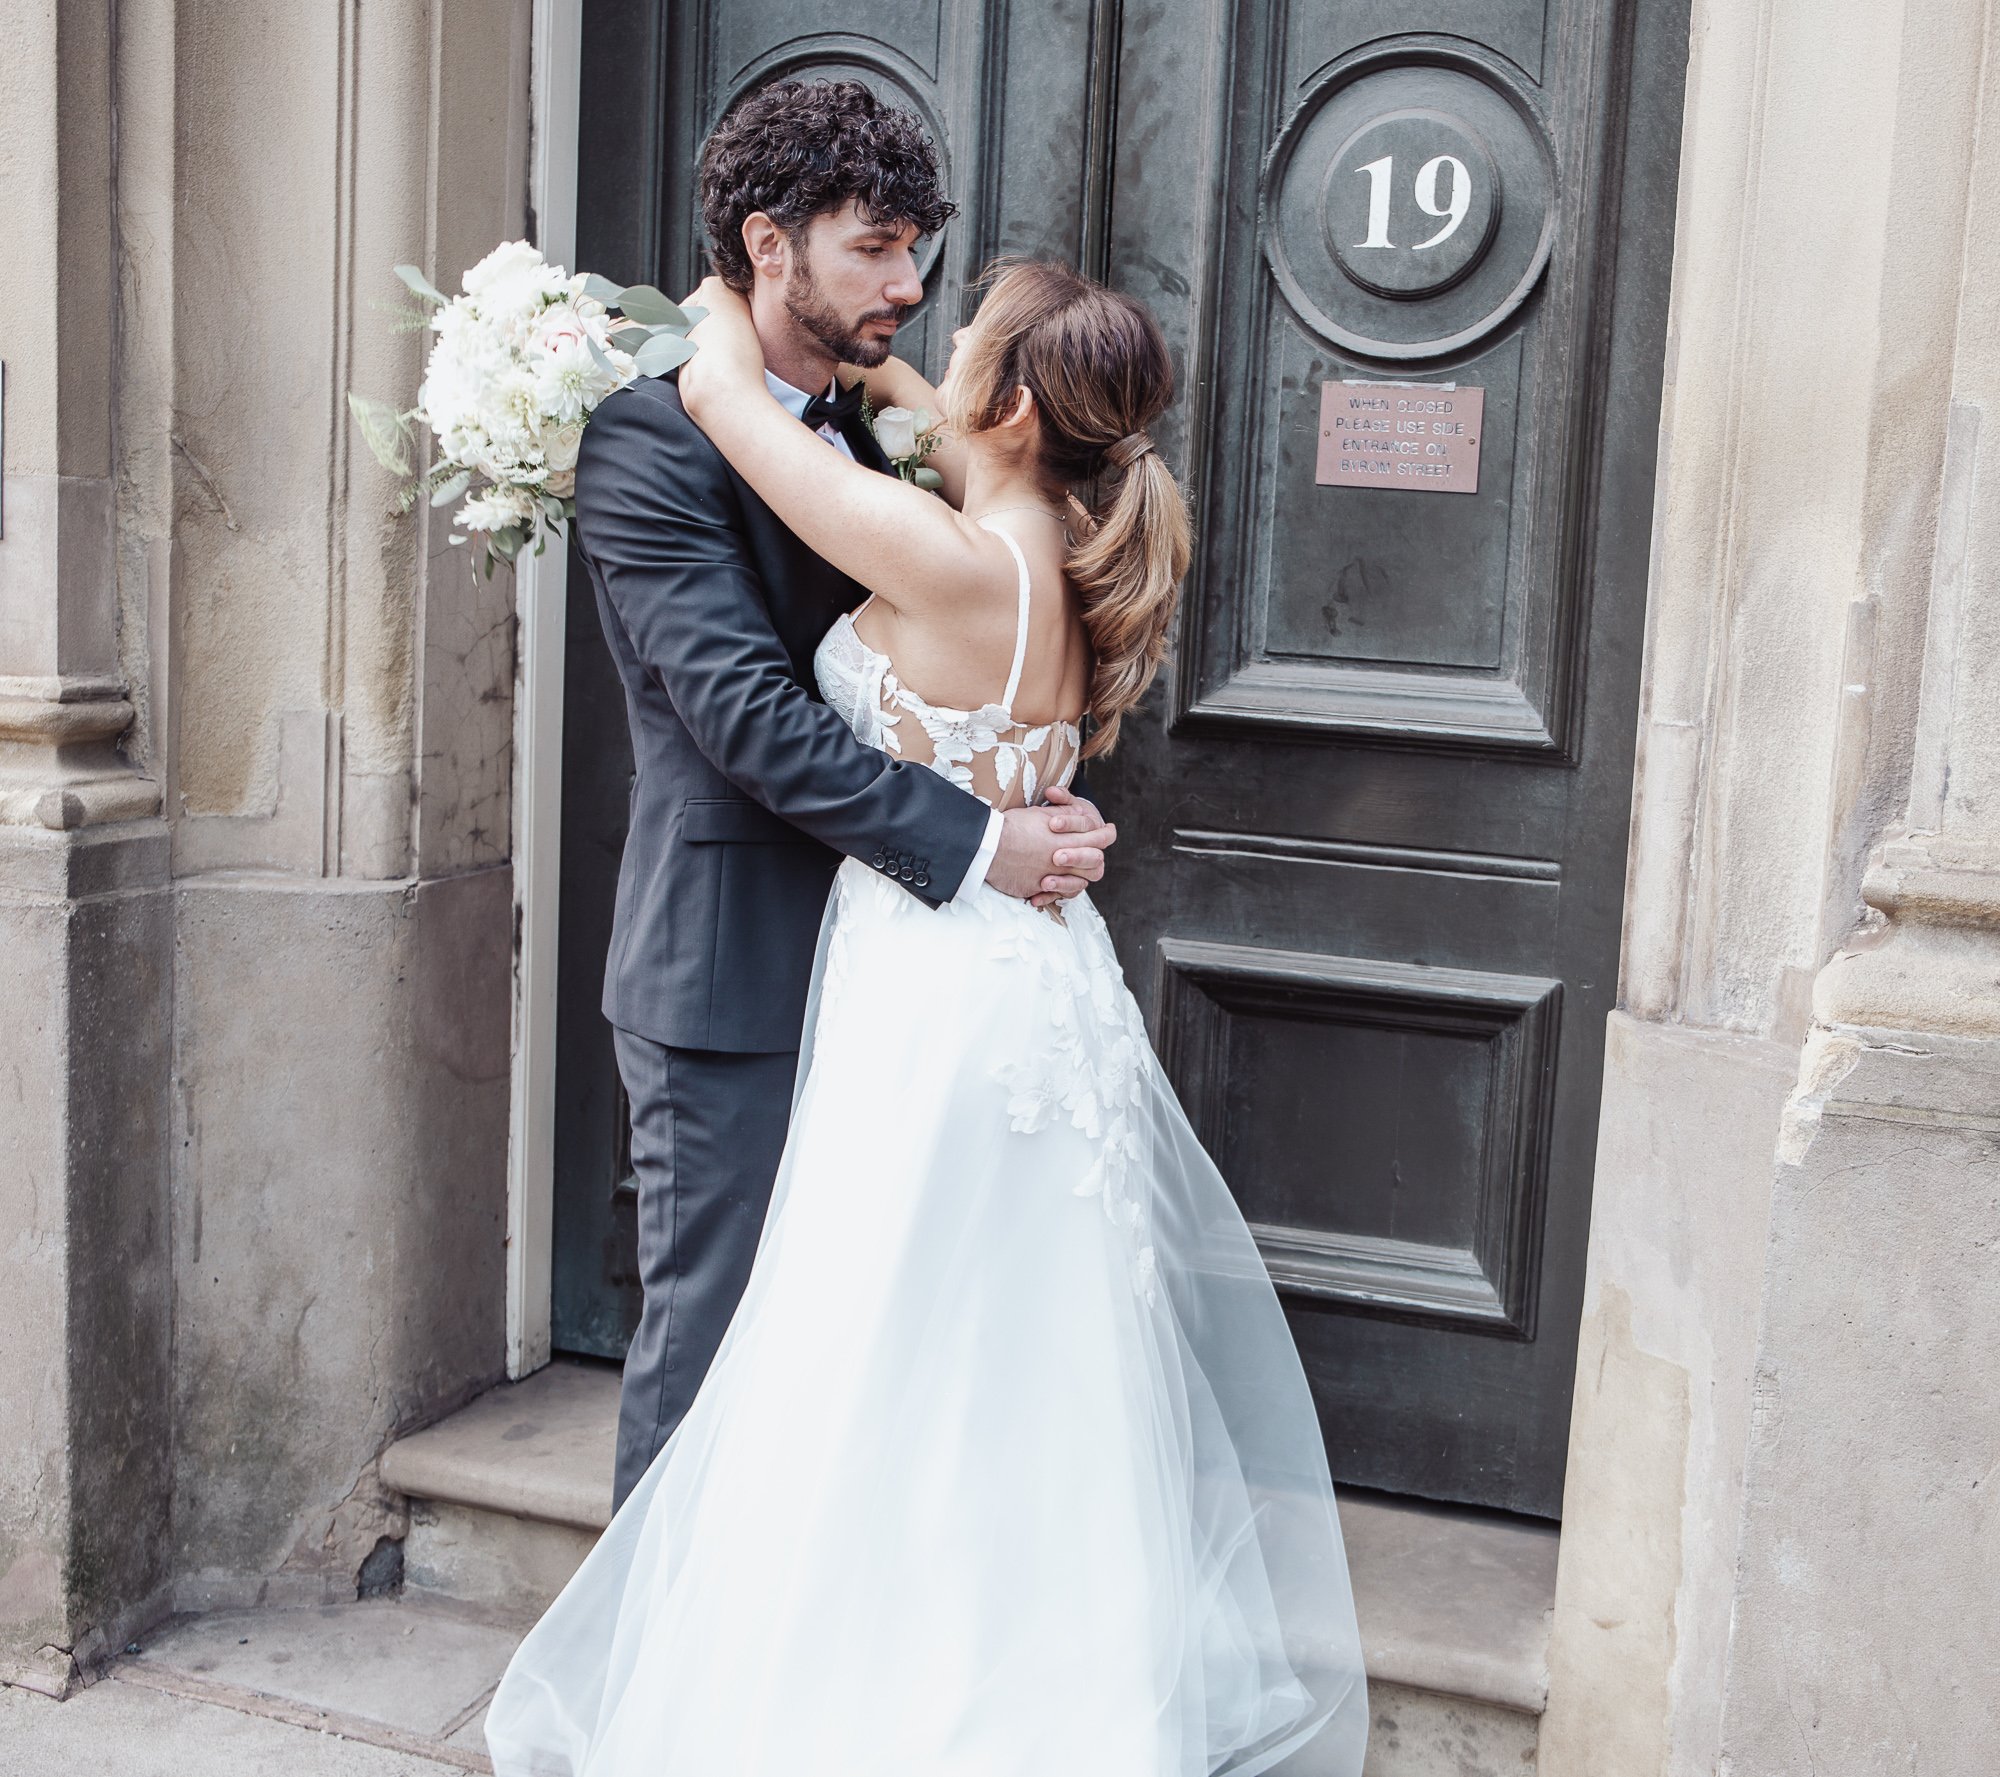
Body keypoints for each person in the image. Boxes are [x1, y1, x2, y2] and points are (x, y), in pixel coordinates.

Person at [485, 236, 1368, 1773]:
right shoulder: (1063, 552)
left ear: (1017, 407)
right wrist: (888, 365)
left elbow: (734, 411)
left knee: (870, 1345)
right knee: (1007, 1363)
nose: (928, 344)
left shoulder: (944, 554)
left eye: (969, 345)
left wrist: (699, 314)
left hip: (938, 999)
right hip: (1030, 985)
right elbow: (931, 415)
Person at [567, 80, 1119, 1512]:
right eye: (876, 246)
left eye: (920, 246)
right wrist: (985, 839)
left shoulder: (889, 426)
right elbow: (747, 715)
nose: (911, 281)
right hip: (734, 974)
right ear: (768, 245)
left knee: (862, 1374)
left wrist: (1027, 788)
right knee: (717, 1354)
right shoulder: (654, 437)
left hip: (902, 990)